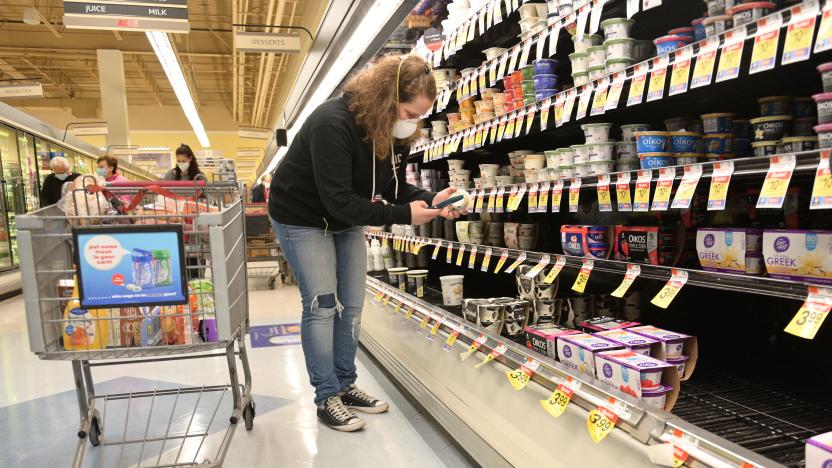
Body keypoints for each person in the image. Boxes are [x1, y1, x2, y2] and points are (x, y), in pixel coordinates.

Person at [269, 54, 460, 432]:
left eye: (419, 115)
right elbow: (338, 200)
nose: (413, 123)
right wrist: (405, 216)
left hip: (344, 218)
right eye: (409, 112)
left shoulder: (390, 131)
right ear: (386, 99)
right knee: (323, 304)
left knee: (352, 305)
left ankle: (345, 383)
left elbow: (389, 186)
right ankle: (326, 396)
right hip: (302, 217)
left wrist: (428, 197)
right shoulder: (332, 123)